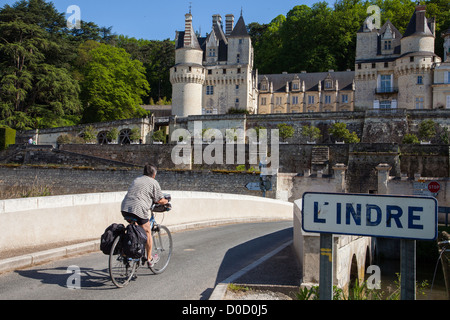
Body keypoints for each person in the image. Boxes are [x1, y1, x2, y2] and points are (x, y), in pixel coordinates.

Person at [121, 164, 168, 267]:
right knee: (147, 231)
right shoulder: (153, 182)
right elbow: (159, 199)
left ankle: (126, 251)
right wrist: (167, 202)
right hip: (138, 208)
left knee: (135, 229)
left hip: (125, 208)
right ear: (154, 174)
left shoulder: (137, 179)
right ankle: (149, 258)